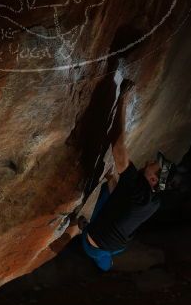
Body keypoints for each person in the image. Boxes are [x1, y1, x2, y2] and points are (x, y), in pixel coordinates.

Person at [73, 79, 175, 271]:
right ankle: (105, 259)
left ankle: (88, 233)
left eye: (156, 165)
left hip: (94, 243)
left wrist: (123, 100)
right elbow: (123, 201)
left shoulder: (140, 191)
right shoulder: (154, 200)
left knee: (100, 255)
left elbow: (118, 147)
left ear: (153, 179)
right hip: (116, 245)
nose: (151, 162)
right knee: (111, 187)